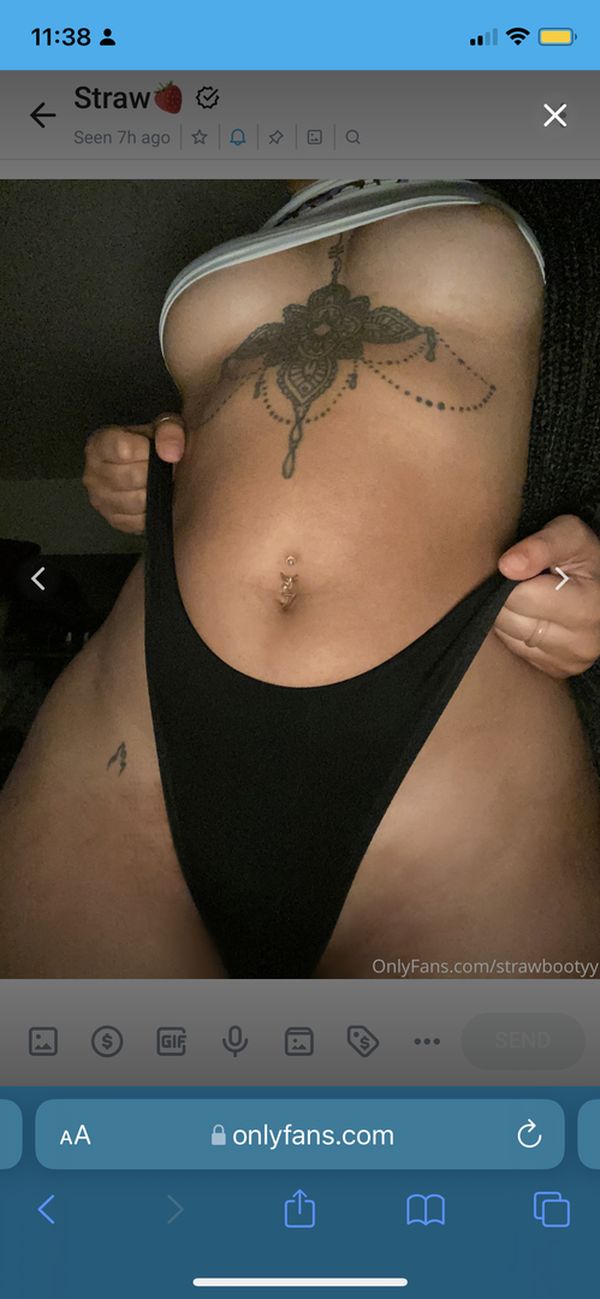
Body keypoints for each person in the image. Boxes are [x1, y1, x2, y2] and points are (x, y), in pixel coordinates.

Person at [1, 177, 600, 978]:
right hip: (130, 740)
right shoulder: (250, 216)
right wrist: (151, 461)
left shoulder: (555, 178)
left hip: (452, 759)